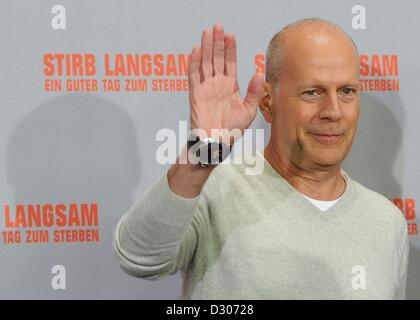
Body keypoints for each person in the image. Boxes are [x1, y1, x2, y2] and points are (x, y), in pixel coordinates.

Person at [113, 19, 409, 299]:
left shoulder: (387, 221)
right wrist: (202, 152)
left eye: (347, 91)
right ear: (268, 104)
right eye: (312, 92)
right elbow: (139, 258)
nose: (333, 111)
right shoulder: (214, 188)